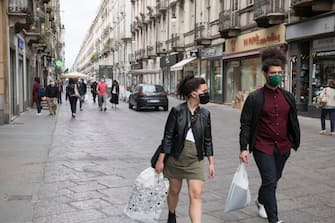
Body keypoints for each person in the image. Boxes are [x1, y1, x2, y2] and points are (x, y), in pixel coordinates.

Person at [239, 47, 301, 223]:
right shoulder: (254, 98)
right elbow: (246, 124)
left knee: (272, 180)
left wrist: (292, 141)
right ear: (265, 74)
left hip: (283, 147)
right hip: (262, 146)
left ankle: (260, 200)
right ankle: (274, 219)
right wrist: (243, 148)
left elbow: (293, 122)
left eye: (280, 72)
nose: (277, 76)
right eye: (273, 72)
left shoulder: (288, 97)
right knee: (270, 180)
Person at [155, 75, 215, 223]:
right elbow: (167, 137)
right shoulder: (177, 111)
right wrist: (160, 161)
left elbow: (208, 139)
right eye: (204, 90)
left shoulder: (205, 114)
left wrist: (211, 162)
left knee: (196, 194)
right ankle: (172, 214)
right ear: (194, 93)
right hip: (176, 158)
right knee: (174, 191)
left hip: (196, 159)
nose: (207, 93)